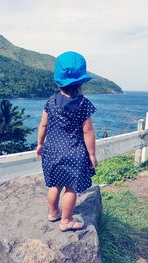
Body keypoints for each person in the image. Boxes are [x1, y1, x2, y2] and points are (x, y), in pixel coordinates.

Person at [36, 51, 98, 231]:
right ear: (81, 82)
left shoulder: (51, 101)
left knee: (54, 185)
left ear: (58, 79)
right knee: (71, 189)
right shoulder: (83, 104)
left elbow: (43, 126)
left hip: (52, 151)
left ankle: (53, 212)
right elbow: (88, 132)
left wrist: (40, 144)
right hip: (74, 153)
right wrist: (92, 155)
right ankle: (66, 221)